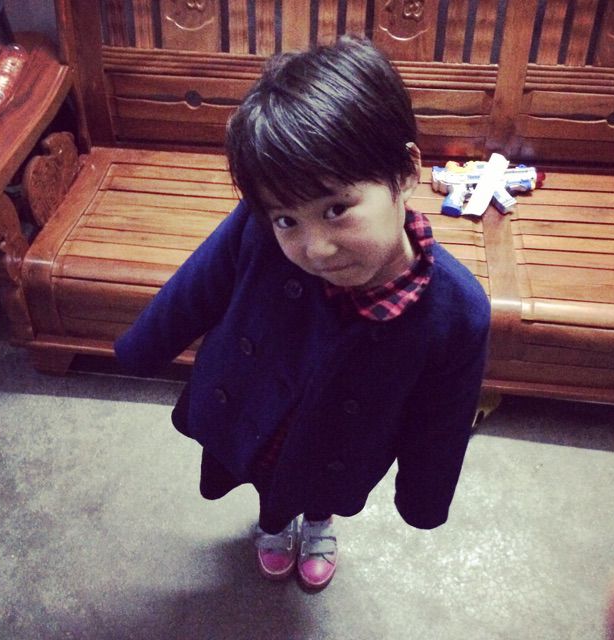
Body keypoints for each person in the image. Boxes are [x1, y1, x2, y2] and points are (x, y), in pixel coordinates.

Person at [114, 36, 490, 592]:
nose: (316, 249)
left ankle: (317, 523)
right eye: (287, 219)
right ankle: (271, 524)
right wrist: (141, 349)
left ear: (407, 170)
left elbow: (442, 419)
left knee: (317, 485)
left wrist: (424, 498)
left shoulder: (457, 311)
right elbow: (200, 283)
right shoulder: (261, 227)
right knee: (263, 471)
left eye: (337, 209)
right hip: (254, 402)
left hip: (343, 441)